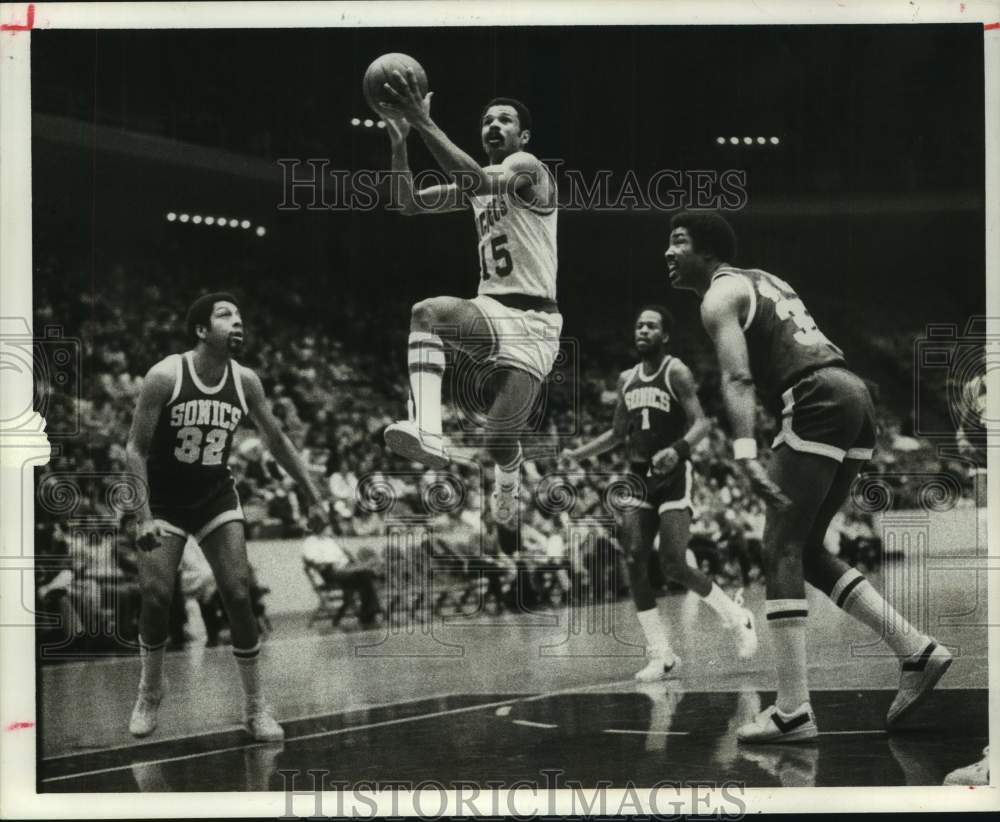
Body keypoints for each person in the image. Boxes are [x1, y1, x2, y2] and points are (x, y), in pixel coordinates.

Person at [665, 211, 951, 743]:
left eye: (678, 241)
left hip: (815, 397)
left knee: (778, 546)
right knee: (807, 550)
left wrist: (745, 452)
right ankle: (916, 650)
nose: (667, 252)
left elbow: (737, 377)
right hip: (853, 394)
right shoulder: (762, 280)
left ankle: (792, 710)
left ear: (706, 251)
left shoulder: (718, 295)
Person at [124, 292, 328, 741]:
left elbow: (277, 440)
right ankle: (150, 689)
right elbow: (134, 449)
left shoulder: (246, 381)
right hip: (164, 499)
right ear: (201, 330)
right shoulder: (165, 375)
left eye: (239, 315)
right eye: (225, 315)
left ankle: (255, 707)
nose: (237, 322)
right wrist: (142, 517)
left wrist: (313, 495)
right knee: (156, 596)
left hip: (214, 494)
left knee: (238, 592)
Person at [375, 73, 561, 532]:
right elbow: (407, 204)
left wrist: (422, 121)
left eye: (505, 120)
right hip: (491, 308)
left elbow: (474, 177)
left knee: (496, 443)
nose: (493, 125)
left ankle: (508, 482)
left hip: (535, 322)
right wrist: (400, 143)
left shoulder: (528, 167)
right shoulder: (476, 187)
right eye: (487, 120)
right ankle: (428, 431)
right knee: (427, 313)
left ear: (523, 136)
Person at [561, 306, 757, 681]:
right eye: (639, 325)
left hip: (673, 475)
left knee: (673, 563)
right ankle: (661, 654)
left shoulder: (675, 371)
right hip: (639, 477)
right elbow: (618, 434)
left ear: (664, 336)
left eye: (651, 326)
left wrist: (678, 450)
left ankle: (736, 618)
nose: (643, 330)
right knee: (634, 558)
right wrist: (578, 453)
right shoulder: (626, 379)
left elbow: (702, 423)